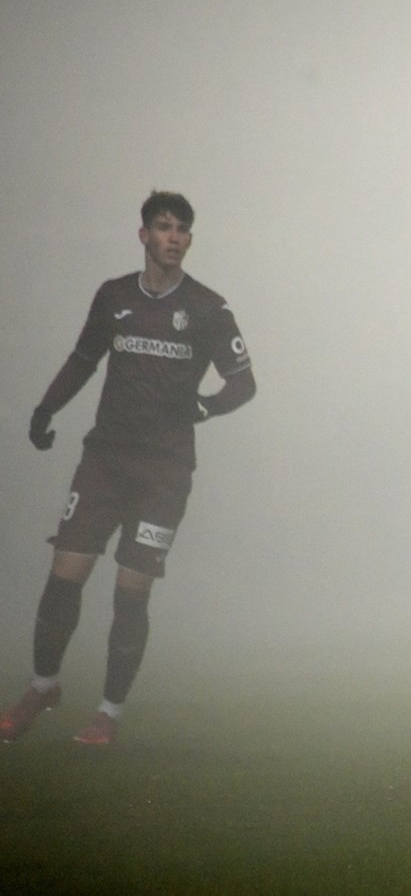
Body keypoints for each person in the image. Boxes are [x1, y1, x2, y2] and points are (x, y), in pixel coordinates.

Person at [1, 191, 256, 747]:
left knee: (130, 589)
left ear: (189, 240)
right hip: (105, 461)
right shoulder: (114, 296)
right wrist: (45, 409)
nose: (173, 237)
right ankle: (42, 687)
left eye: (182, 229)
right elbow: (83, 359)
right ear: (143, 235)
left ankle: (107, 713)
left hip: (165, 471)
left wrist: (206, 406)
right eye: (163, 227)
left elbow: (244, 383)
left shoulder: (208, 308)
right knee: (65, 573)